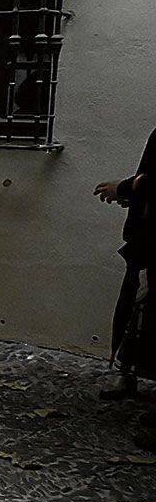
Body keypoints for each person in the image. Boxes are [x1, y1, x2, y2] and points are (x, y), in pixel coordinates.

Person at [94, 128, 156, 402]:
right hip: (145, 238)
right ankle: (126, 373)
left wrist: (124, 188)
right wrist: (133, 197)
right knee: (134, 309)